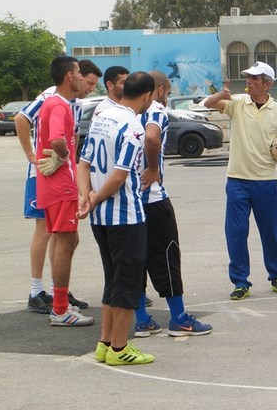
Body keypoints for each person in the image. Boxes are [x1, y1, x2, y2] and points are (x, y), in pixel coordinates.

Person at [204, 62, 277, 300]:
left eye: (254, 78)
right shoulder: (238, 102)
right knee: (236, 232)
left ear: (267, 84)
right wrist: (220, 95)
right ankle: (240, 281)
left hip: (266, 181)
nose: (248, 81)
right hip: (237, 179)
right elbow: (209, 104)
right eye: (248, 77)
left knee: (270, 232)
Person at [77, 71, 155, 365]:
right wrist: (95, 196)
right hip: (125, 215)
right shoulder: (134, 127)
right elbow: (120, 177)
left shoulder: (101, 117)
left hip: (100, 219)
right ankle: (120, 349)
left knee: (112, 279)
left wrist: (86, 196)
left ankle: (105, 343)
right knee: (128, 283)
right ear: (147, 95)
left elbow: (82, 165)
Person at [130, 70, 213, 337]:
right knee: (167, 254)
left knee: (136, 259)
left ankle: (141, 319)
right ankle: (178, 317)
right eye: (168, 92)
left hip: (128, 200)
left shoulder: (119, 111)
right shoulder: (155, 110)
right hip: (151, 197)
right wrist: (153, 168)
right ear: (161, 89)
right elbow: (152, 138)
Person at [15, 59, 101, 314]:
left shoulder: (75, 103)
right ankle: (36, 290)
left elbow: (70, 137)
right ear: (73, 77)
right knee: (46, 231)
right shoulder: (51, 97)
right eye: (88, 83)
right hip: (43, 171)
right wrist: (31, 155)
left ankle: (57, 289)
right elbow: (21, 119)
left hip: (64, 173)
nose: (90, 89)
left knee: (63, 235)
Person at [35, 55, 93, 326]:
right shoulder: (59, 105)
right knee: (67, 241)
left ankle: (60, 305)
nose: (82, 76)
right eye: (79, 71)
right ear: (69, 76)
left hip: (52, 185)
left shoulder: (54, 103)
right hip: (61, 185)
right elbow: (57, 139)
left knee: (64, 240)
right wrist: (64, 155)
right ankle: (60, 309)